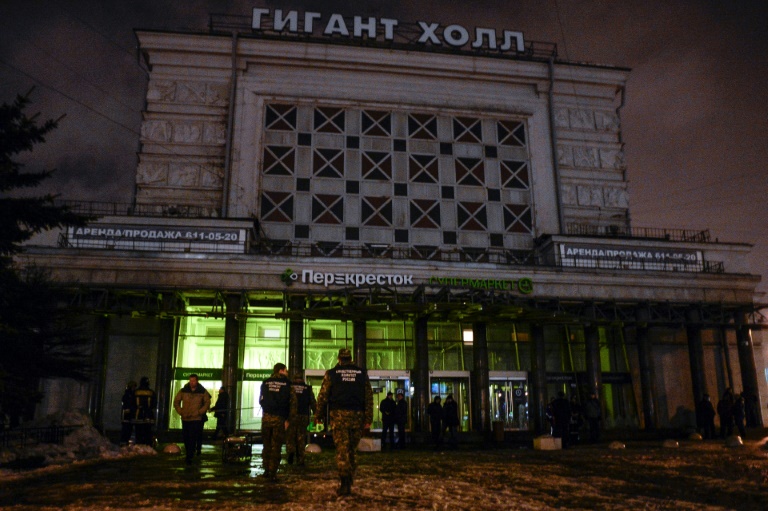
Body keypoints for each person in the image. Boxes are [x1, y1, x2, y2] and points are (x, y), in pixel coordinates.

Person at [315, 348, 373, 496]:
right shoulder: (361, 374)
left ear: (339, 359)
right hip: (357, 417)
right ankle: (350, 477)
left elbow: (323, 395)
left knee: (342, 450)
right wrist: (368, 419)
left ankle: (345, 481)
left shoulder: (332, 374)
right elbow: (368, 397)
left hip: (339, 416)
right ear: (351, 358)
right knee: (351, 450)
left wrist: (318, 414)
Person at [259, 362, 296, 480]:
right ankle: (272, 472)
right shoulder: (287, 384)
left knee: (267, 445)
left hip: (266, 418)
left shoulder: (265, 383)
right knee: (276, 446)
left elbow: (261, 400)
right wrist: (289, 419)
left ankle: (266, 469)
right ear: (281, 370)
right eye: (286, 370)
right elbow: (293, 404)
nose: (287, 372)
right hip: (279, 419)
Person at [173, 374, 211, 465]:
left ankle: (190, 455)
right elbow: (176, 401)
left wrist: (199, 412)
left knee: (192, 436)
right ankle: (189, 453)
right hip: (185, 418)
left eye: (193, 381)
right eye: (190, 380)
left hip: (196, 418)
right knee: (186, 437)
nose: (192, 382)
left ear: (197, 381)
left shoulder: (202, 391)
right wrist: (181, 411)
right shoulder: (183, 390)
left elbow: (207, 403)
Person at [287, 370, 316, 466]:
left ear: (294, 379)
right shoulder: (307, 388)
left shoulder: (290, 387)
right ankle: (301, 459)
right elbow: (312, 402)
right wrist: (316, 414)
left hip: (291, 416)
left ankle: (291, 454)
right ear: (302, 379)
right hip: (303, 416)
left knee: (291, 436)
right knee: (301, 437)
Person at [134, 376, 156, 446]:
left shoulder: (136, 392)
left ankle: (139, 445)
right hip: (148, 414)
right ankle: (147, 446)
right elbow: (154, 404)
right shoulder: (151, 392)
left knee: (138, 431)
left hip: (138, 414)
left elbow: (132, 403)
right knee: (147, 431)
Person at [119, 380, 137, 445]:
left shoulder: (127, 394)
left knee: (127, 429)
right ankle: (124, 441)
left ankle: (124, 441)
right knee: (127, 429)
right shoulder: (129, 395)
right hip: (127, 415)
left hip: (127, 415)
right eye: (134, 387)